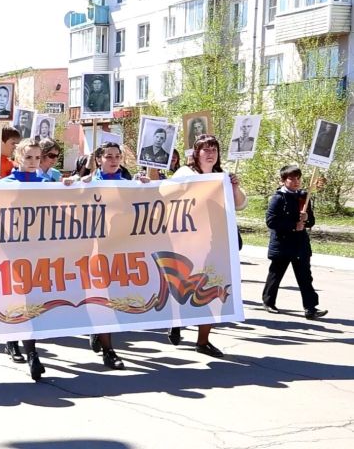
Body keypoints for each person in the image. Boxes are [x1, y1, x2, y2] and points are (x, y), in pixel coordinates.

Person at [0, 139, 74, 380]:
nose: (33, 162)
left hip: (38, 251)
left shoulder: (46, 184)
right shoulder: (6, 184)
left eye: (38, 158)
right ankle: (24, 348)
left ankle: (28, 350)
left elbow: (63, 210)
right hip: (12, 250)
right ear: (18, 158)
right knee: (18, 298)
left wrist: (71, 189)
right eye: (28, 158)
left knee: (31, 302)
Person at [169, 134, 247, 358]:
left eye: (214, 149)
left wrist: (234, 186)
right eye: (206, 149)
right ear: (197, 153)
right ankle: (176, 322)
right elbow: (167, 195)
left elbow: (240, 204)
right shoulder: (185, 173)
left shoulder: (222, 177)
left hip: (216, 244)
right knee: (184, 288)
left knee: (214, 290)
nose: (211, 153)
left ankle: (203, 341)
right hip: (188, 243)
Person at [74, 142, 150, 370]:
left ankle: (99, 333)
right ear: (98, 159)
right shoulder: (88, 183)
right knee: (102, 297)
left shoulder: (128, 185)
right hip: (95, 248)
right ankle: (108, 349)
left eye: (117, 156)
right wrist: (75, 185)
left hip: (121, 248)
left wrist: (147, 186)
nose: (114, 160)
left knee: (115, 298)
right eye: (109, 156)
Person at [262, 165, 328, 320]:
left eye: (298, 178)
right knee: (276, 275)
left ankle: (310, 308)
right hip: (282, 244)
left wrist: (306, 220)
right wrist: (293, 225)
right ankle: (268, 302)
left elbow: (311, 221)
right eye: (291, 178)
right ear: (283, 180)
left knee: (305, 277)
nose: (296, 181)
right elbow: (271, 222)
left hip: (300, 245)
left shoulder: (304, 196)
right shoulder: (278, 198)